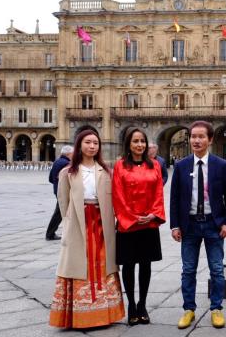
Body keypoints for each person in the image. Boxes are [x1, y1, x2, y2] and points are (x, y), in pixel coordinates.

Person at [49, 130, 124, 328]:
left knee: (102, 262)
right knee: (79, 262)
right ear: (79, 145)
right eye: (88, 142)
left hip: (101, 222)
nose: (92, 146)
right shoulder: (67, 172)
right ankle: (79, 314)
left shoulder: (107, 171)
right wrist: (69, 223)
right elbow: (63, 201)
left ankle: (104, 312)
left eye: (95, 143)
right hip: (79, 222)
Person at [170, 120, 226, 329]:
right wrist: (174, 225)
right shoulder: (181, 166)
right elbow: (174, 198)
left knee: (216, 269)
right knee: (188, 269)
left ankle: (216, 309)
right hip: (189, 225)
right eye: (193, 137)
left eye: (201, 137)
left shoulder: (221, 165)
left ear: (210, 140)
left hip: (213, 225)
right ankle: (188, 309)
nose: (196, 140)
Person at [112, 128, 166, 326]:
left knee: (145, 265)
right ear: (128, 144)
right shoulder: (119, 167)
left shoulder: (155, 166)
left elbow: (158, 192)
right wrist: (132, 217)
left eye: (142, 141)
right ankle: (131, 306)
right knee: (128, 265)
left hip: (149, 223)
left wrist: (154, 214)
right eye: (135, 141)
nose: (139, 145)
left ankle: (142, 304)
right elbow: (117, 195)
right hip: (129, 224)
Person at [46, 146, 74, 241]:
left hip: (57, 191)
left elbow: (50, 178)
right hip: (64, 192)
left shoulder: (57, 162)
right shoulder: (66, 164)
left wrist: (56, 186)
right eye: (73, 153)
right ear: (69, 154)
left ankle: (51, 233)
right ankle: (50, 234)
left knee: (60, 212)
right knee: (59, 213)